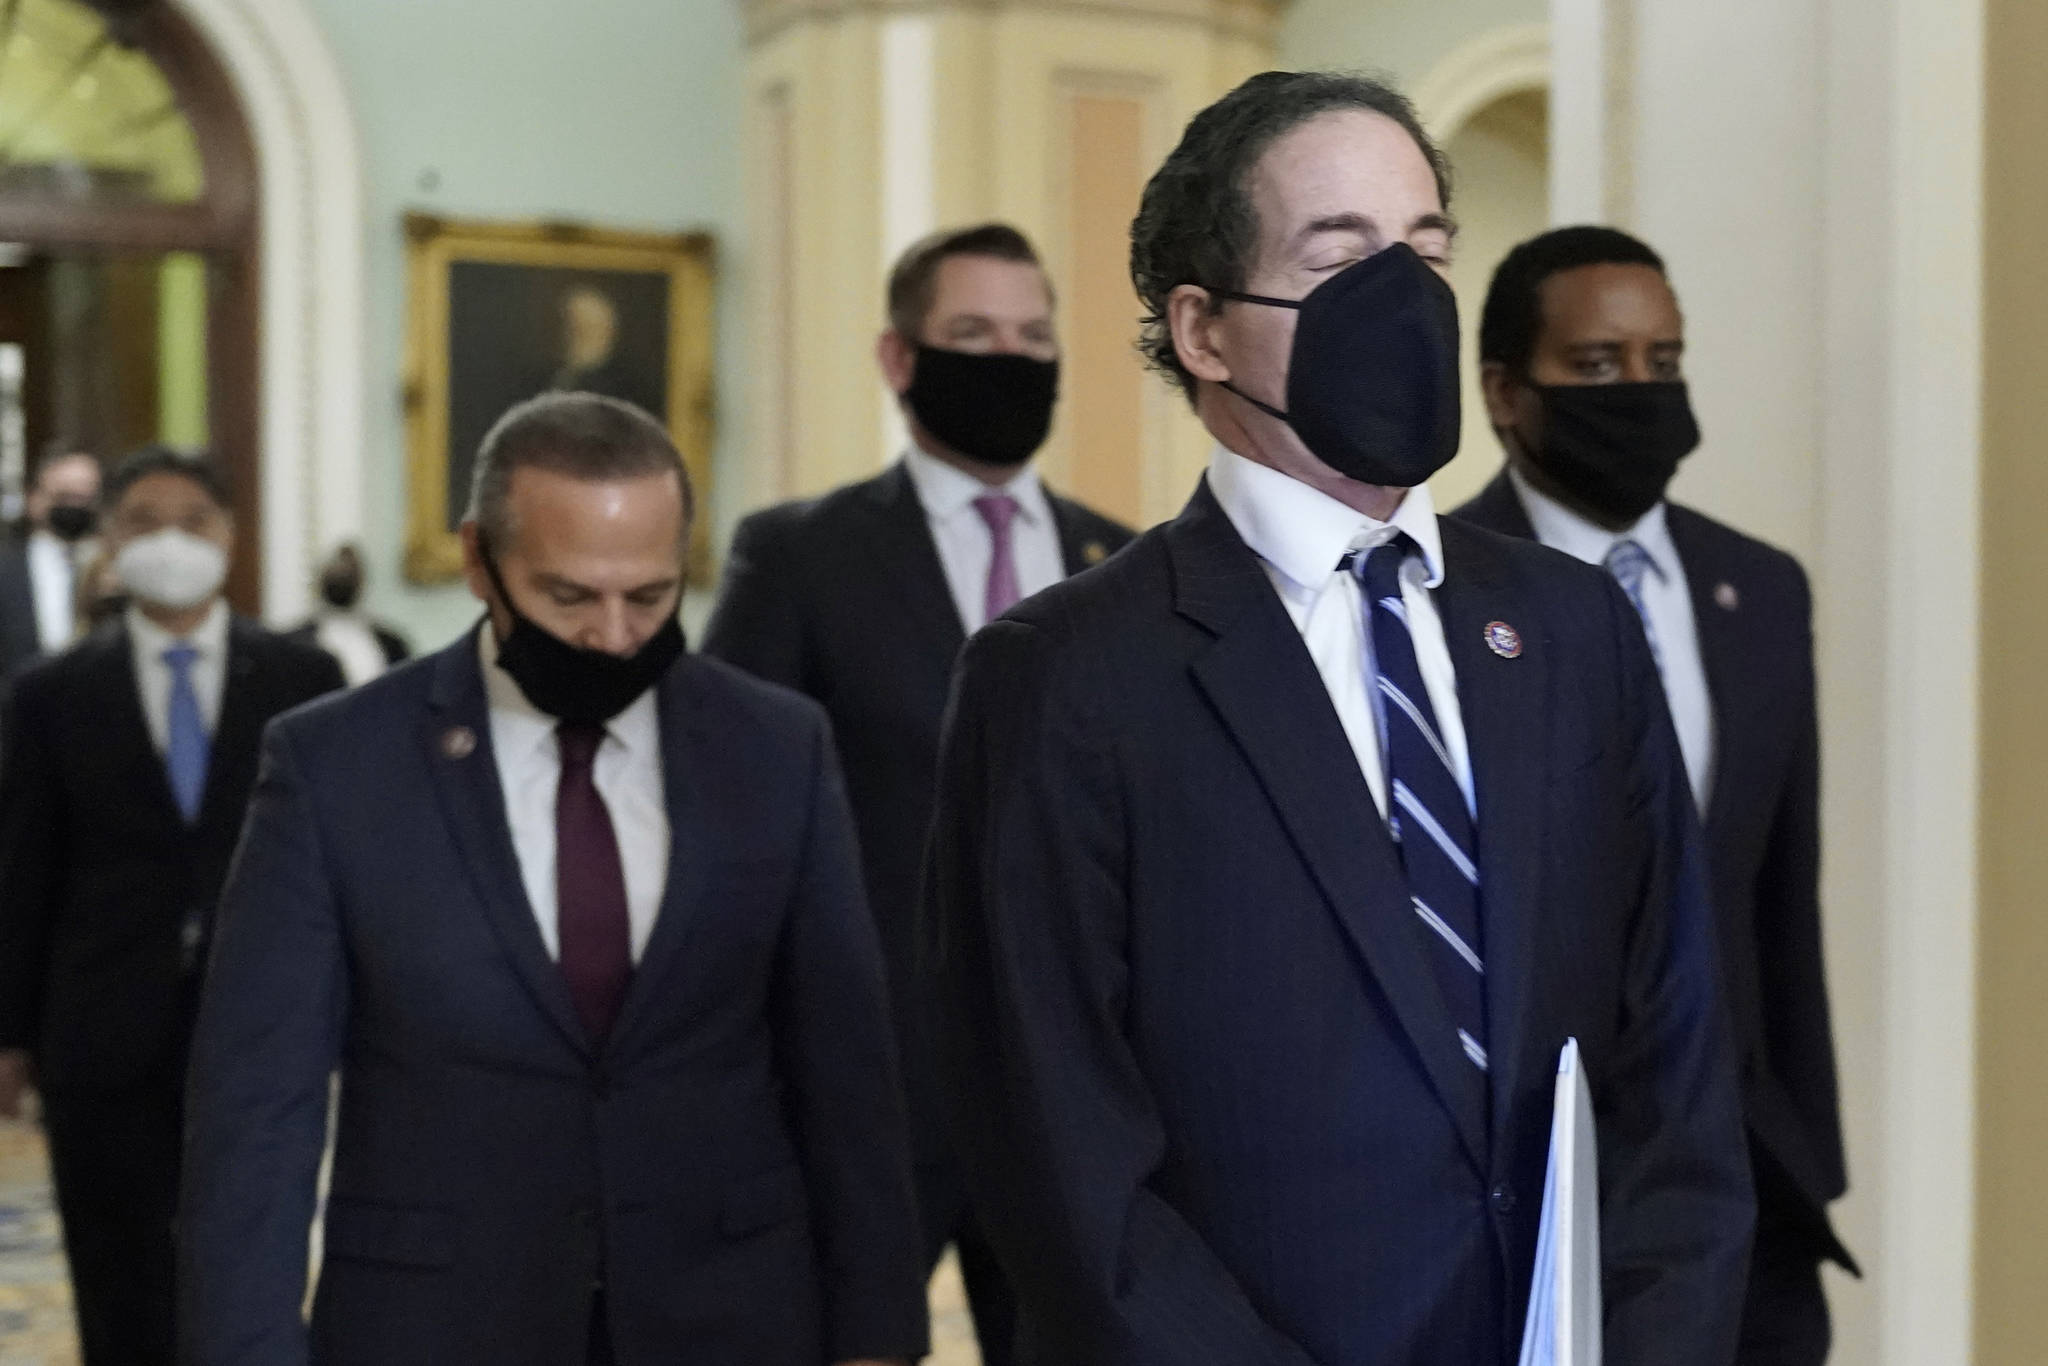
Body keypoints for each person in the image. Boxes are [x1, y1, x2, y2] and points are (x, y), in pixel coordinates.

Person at [923, 71, 1754, 1365]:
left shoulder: (1577, 629)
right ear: (1202, 329)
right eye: (1342, 253)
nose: (1402, 295)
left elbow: (1680, 1069)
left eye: (1426, 249)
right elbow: (1063, 1165)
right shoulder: (1061, 676)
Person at [180, 393, 926, 1366]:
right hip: (438, 1323)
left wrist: (875, 1331)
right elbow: (257, 1110)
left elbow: (847, 1068)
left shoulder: (777, 745)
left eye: (650, 596)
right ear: (479, 559)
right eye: (570, 596)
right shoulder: (335, 766)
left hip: (730, 1314)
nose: (614, 635)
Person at [702, 220, 1133, 1365]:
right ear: (899, 359)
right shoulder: (798, 556)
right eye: (971, 333)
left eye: (1033, 336)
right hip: (867, 1088)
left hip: (1076, 1092)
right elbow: (733, 825)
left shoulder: (1124, 562)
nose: (1009, 359)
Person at [1453, 224, 1856, 1365]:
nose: (1637, 390)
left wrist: (1806, 1154)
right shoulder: (1435, 585)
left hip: (1743, 1175)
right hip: (1524, 1173)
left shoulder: (1760, 588)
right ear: (1502, 392)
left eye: (1661, 362)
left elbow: (1782, 892)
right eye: (1593, 366)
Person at [0, 445, 343, 1366]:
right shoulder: (50, 692)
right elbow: (23, 870)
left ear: (230, 534)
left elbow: (342, 865)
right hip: (99, 1026)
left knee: (247, 1254)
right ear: (109, 540)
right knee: (116, 1269)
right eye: (143, 521)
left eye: (192, 520)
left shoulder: (302, 681)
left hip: (258, 1024)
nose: (169, 541)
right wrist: (11, 1037)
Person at [0, 448, 102, 677]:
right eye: (65, 497)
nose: (76, 507)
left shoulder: (113, 567)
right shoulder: (6, 569)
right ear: (34, 499)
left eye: (86, 497)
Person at [288, 543, 412, 686]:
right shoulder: (295, 643)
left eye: (350, 568)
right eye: (337, 566)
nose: (343, 573)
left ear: (362, 579)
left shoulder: (392, 644)